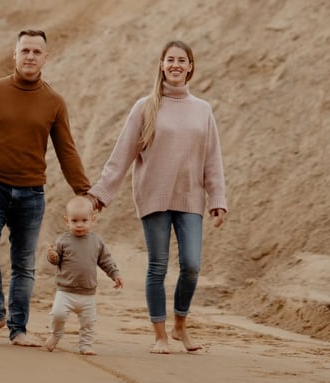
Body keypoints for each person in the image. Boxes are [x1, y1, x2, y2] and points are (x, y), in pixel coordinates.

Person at [87, 39, 227, 354]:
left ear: (190, 67)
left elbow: (212, 158)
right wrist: (100, 194)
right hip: (154, 195)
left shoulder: (202, 109)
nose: (176, 65)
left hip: (190, 196)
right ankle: (160, 336)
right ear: (162, 65)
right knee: (158, 266)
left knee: (191, 265)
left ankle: (180, 325)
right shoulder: (145, 106)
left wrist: (217, 199)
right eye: (170, 60)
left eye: (182, 60)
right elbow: (122, 154)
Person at [0, 28, 92, 347]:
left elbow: (66, 150)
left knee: (23, 264)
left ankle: (18, 329)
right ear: (14, 55)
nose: (30, 56)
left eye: (36, 52)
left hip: (31, 193)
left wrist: (83, 191)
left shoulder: (54, 102)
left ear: (46, 58)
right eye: (25, 51)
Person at [44, 195, 124, 355]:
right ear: (67, 221)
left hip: (88, 293)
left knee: (88, 322)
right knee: (58, 314)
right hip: (65, 291)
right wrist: (52, 256)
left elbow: (105, 261)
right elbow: (56, 259)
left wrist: (115, 274)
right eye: (74, 221)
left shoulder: (96, 241)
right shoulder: (63, 240)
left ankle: (86, 345)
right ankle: (56, 334)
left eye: (84, 220)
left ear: (92, 220)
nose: (79, 224)